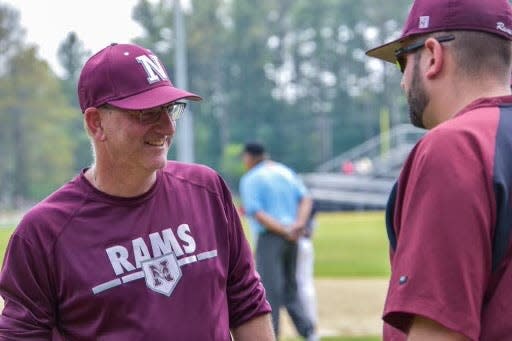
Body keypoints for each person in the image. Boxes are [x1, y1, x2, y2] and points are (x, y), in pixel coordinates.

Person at [0, 43, 274, 340]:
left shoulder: (207, 191)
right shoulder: (43, 234)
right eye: (147, 114)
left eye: (169, 110)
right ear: (96, 123)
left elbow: (246, 302)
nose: (167, 126)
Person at [365, 0, 512, 339]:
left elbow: (440, 329)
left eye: (403, 61)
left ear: (433, 55)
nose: (403, 82)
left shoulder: (457, 146)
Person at [239, 142, 317, 341]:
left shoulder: (251, 179)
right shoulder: (285, 171)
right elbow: (306, 199)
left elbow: (257, 213)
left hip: (271, 237)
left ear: (249, 157)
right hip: (293, 236)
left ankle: (271, 335)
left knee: (269, 290)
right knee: (291, 288)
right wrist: (298, 224)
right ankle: (308, 332)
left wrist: (283, 230)